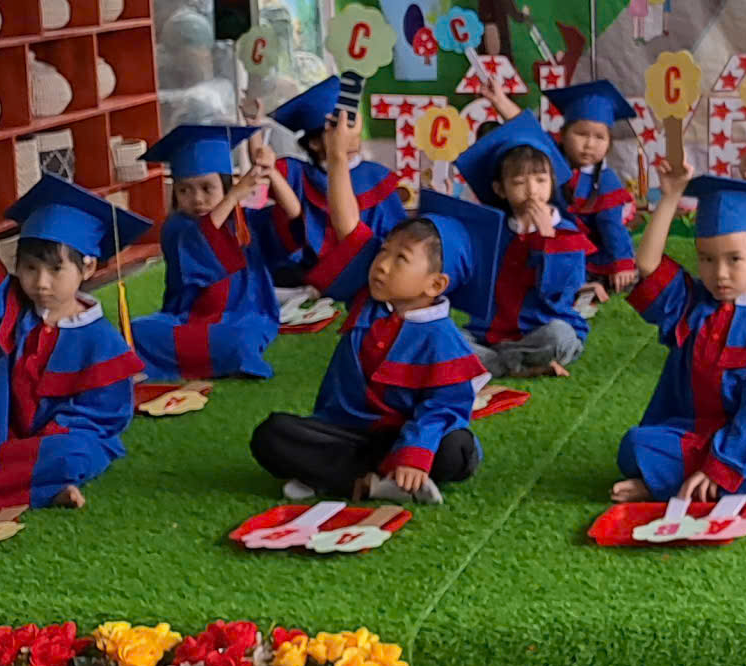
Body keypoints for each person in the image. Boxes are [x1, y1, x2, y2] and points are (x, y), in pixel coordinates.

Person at [248, 116, 497, 504]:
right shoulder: (368, 296)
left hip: (407, 436)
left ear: (435, 285)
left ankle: (343, 476)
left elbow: (444, 407)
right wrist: (336, 158)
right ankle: (371, 483)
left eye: (401, 259)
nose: (382, 265)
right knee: (271, 434)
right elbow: (348, 227)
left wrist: (414, 453)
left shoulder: (443, 338)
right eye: (383, 251)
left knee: (456, 449)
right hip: (350, 433)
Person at [0, 178, 148, 514]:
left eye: (56, 269)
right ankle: (43, 489)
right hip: (8, 442)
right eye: (30, 268)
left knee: (71, 455)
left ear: (88, 267)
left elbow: (103, 418)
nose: (41, 283)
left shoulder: (102, 341)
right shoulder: (17, 313)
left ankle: (25, 484)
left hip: (63, 445)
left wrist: (49, 439)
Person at [612, 162, 746, 505]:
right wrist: (670, 197)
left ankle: (672, 485)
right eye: (706, 259)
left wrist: (719, 468)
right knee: (635, 445)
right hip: (696, 431)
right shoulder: (690, 303)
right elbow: (647, 265)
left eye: (734, 259)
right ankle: (693, 483)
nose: (719, 273)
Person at [132, 125, 289, 382]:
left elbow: (293, 217)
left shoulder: (244, 223)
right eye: (184, 190)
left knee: (240, 341)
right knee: (136, 331)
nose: (197, 199)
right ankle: (215, 360)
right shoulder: (176, 228)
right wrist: (234, 196)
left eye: (207, 188)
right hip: (185, 319)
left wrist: (271, 172)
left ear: (225, 186)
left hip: (240, 318)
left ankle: (218, 357)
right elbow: (202, 240)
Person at [452, 112, 594, 381]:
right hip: (491, 331)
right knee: (447, 335)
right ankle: (514, 364)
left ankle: (495, 363)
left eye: (541, 180)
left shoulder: (566, 233)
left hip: (541, 328)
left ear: (552, 183)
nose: (532, 190)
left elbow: (559, 293)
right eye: (519, 182)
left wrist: (547, 240)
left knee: (560, 336)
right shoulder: (494, 231)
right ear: (500, 189)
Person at [256, 77, 408, 294]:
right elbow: (263, 165)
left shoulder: (376, 176)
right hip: (307, 275)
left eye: (351, 126)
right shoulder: (297, 173)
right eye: (337, 130)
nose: (349, 138)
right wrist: (255, 128)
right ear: (314, 142)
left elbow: (395, 231)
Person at [545, 79, 640, 292]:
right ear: (563, 135)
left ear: (608, 144)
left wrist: (622, 262)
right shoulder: (552, 163)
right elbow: (536, 138)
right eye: (581, 134)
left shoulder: (606, 181)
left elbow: (612, 226)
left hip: (593, 258)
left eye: (599, 137)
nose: (589, 144)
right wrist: (501, 101)